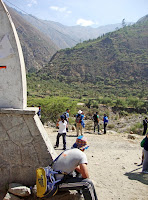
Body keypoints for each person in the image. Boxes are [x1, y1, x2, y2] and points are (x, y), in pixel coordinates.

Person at [53, 136, 98, 200]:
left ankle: (79, 193)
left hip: (54, 180)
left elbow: (76, 168)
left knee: (78, 173)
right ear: (83, 148)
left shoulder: (67, 151)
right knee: (88, 183)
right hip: (60, 183)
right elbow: (85, 176)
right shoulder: (81, 154)